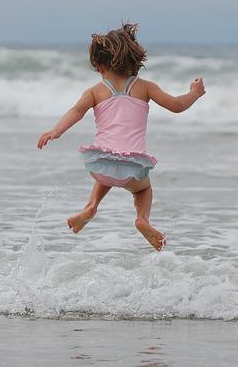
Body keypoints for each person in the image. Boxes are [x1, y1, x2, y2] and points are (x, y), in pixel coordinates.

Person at [37, 23, 205, 251]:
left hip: (100, 164)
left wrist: (55, 131)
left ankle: (91, 207)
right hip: (132, 167)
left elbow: (76, 111)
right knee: (143, 189)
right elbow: (176, 105)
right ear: (134, 61)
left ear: (99, 65)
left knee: (108, 167)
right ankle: (142, 220)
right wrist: (194, 94)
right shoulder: (145, 87)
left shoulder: (95, 91)